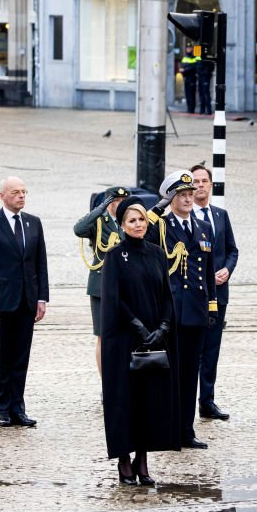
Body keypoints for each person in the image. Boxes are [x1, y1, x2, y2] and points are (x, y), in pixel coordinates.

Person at [100, 197, 181, 485]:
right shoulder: (114, 256)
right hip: (125, 340)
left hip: (155, 339)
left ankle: (143, 459)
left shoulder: (157, 253)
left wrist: (163, 326)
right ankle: (124, 457)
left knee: (150, 400)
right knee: (125, 400)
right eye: (132, 220)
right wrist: (137, 327)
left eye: (141, 219)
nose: (138, 224)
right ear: (122, 225)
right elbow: (114, 299)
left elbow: (166, 295)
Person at [147, 170, 217, 449]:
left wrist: (211, 305)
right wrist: (158, 208)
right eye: (182, 195)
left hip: (197, 311)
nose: (188, 199)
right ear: (171, 198)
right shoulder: (161, 226)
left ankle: (186, 431)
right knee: (169, 373)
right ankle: (167, 428)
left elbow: (209, 270)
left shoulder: (203, 227)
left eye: (190, 194)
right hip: (172, 310)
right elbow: (144, 234)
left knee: (189, 374)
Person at [0, 177, 48, 428]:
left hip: (27, 300)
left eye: (24, 192)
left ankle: (18, 406)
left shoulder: (33, 223)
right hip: (1, 302)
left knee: (21, 356)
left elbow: (40, 262)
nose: (21, 196)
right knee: (0, 357)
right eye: (16, 192)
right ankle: (2, 408)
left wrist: (41, 297)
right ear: (2, 196)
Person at [191, 165, 238, 420]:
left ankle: (207, 401)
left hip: (219, 293)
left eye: (204, 181)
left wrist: (227, 270)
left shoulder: (220, 215)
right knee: (192, 351)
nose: (200, 185)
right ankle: (185, 401)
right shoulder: (186, 218)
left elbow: (232, 249)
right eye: (195, 181)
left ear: (211, 185)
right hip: (194, 295)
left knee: (211, 350)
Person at [74, 186, 131, 376]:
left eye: (123, 201)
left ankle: (124, 379)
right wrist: (100, 209)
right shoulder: (99, 221)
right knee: (104, 337)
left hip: (126, 286)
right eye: (116, 200)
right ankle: (106, 382)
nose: (120, 204)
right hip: (101, 285)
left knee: (127, 336)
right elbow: (79, 229)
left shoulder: (130, 221)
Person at [180, 44, 199, 115]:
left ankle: (192, 109)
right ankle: (188, 109)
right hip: (186, 78)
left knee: (192, 95)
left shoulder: (194, 58)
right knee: (187, 94)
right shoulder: (184, 58)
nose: (188, 49)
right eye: (187, 48)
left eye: (189, 48)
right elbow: (182, 66)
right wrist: (183, 70)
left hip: (192, 78)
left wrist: (185, 70)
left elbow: (193, 67)